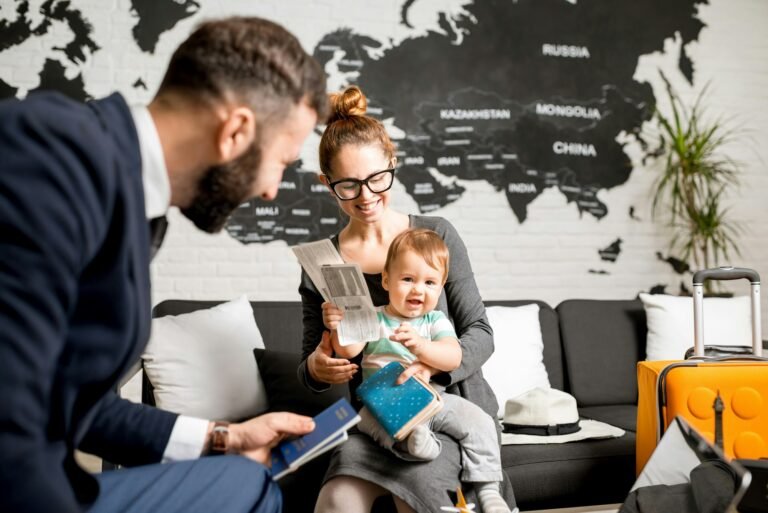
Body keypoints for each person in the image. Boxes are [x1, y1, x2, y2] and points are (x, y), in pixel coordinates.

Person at [0, 16, 327, 513]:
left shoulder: (135, 201)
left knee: (249, 480)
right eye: (282, 160)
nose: (271, 190)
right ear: (236, 131)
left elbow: (69, 400)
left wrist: (223, 438)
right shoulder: (51, 154)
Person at [297, 85, 516, 513]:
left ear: (393, 164)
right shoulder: (323, 264)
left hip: (452, 410)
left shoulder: (436, 236)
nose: (366, 196)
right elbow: (311, 367)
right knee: (336, 499)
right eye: (348, 185)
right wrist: (319, 366)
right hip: (382, 419)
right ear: (327, 184)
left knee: (413, 494)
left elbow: (481, 334)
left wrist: (429, 360)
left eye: (378, 179)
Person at [324, 228, 513, 513]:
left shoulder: (434, 321)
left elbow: (452, 356)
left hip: (433, 400)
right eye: (408, 279)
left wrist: (422, 347)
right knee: (376, 426)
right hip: (381, 404)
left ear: (441, 287)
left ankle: (488, 490)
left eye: (429, 282)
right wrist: (339, 325)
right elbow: (348, 350)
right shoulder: (374, 316)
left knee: (480, 422)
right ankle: (413, 443)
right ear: (387, 280)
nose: (418, 289)